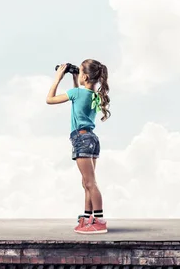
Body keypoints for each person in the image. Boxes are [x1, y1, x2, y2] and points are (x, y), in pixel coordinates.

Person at [45, 59, 111, 234]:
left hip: (81, 139)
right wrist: (76, 77)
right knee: (87, 183)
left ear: (86, 76)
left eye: (80, 72)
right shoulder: (94, 96)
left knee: (90, 183)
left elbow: (49, 99)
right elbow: (78, 100)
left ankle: (99, 221)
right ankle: (88, 217)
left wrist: (58, 77)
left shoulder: (76, 93)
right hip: (91, 139)